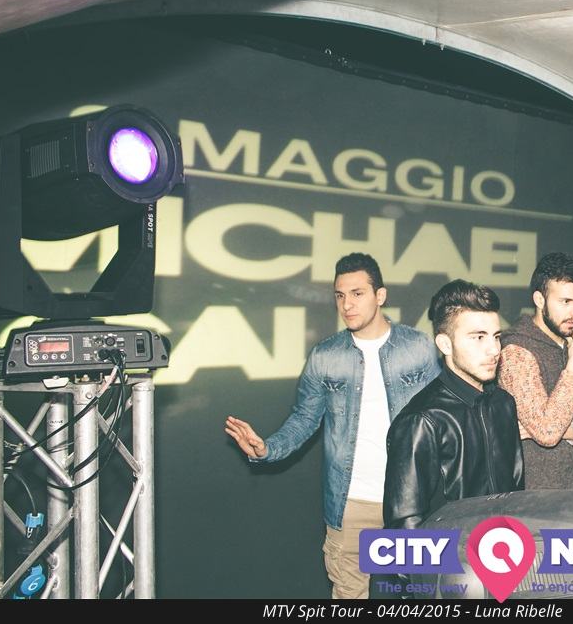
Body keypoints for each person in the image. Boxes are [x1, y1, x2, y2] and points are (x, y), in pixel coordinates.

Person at [224, 253, 439, 599]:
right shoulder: (325, 356)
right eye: (340, 295)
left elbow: (441, 420)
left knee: (422, 595)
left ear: (380, 296)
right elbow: (304, 418)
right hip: (351, 504)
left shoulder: (418, 348)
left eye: (357, 293)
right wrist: (267, 448)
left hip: (412, 500)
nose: (347, 304)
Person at [382, 279, 524, 531]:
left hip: (500, 551)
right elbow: (405, 529)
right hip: (448, 556)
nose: (494, 349)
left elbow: (516, 495)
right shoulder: (422, 420)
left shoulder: (503, 404)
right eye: (478, 337)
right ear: (445, 344)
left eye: (496, 336)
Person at [498, 252, 573, 489]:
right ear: (539, 300)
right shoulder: (516, 350)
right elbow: (548, 431)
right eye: (565, 302)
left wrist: (552, 426)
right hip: (532, 497)